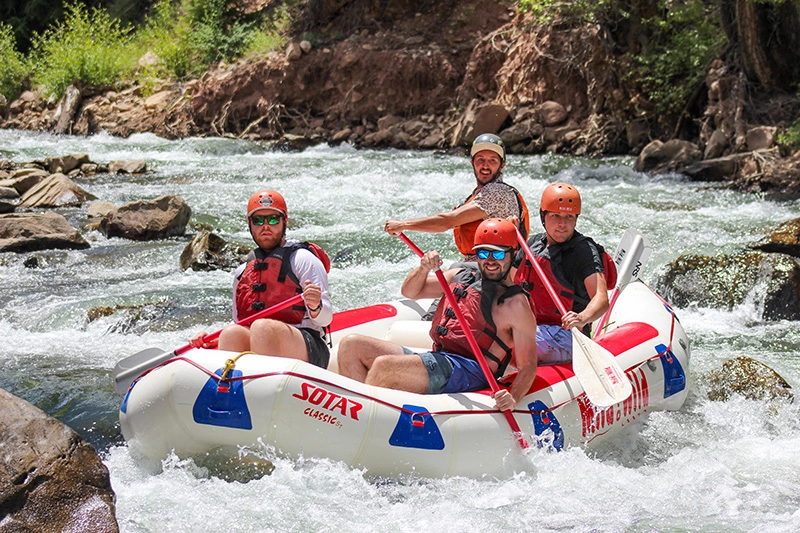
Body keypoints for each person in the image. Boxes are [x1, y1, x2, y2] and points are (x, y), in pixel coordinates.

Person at [338, 218, 538, 411]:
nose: (491, 261)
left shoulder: (515, 305)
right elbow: (411, 291)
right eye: (484, 254)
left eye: (499, 254)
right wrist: (423, 268)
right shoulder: (460, 277)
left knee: (384, 366)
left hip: (471, 370)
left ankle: (366, 418)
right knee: (351, 345)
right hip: (441, 357)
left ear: (513, 254)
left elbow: (528, 365)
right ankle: (361, 415)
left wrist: (513, 397)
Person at [190, 190, 332, 368]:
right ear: (250, 225)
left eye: (273, 219)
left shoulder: (303, 259)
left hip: (309, 346)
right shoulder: (242, 272)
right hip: (261, 340)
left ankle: (268, 389)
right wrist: (209, 340)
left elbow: (326, 319)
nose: (266, 226)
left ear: (284, 222)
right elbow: (238, 323)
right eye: (258, 220)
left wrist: (315, 306)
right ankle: (234, 390)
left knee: (261, 327)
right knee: (231, 333)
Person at [513, 182, 616, 364]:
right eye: (556, 216)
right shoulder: (533, 244)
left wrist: (582, 317)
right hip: (533, 328)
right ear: (543, 216)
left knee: (509, 347)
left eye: (569, 217)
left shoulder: (583, 250)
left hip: (566, 335)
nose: (562, 224)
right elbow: (507, 284)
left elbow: (601, 299)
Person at [384, 133, 530, 260]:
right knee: (414, 285)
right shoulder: (477, 195)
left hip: (492, 268)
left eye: (492, 160)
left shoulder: (497, 192)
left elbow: (448, 221)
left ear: (502, 165)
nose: (485, 165)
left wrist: (403, 225)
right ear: (472, 162)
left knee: (416, 288)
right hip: (477, 265)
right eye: (480, 159)